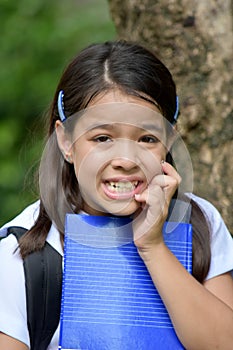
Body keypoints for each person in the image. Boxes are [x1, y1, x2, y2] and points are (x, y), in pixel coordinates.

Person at [0, 40, 233, 350]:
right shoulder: (23, 253)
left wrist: (153, 247)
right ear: (66, 141)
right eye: (102, 138)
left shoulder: (199, 223)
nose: (126, 159)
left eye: (147, 138)